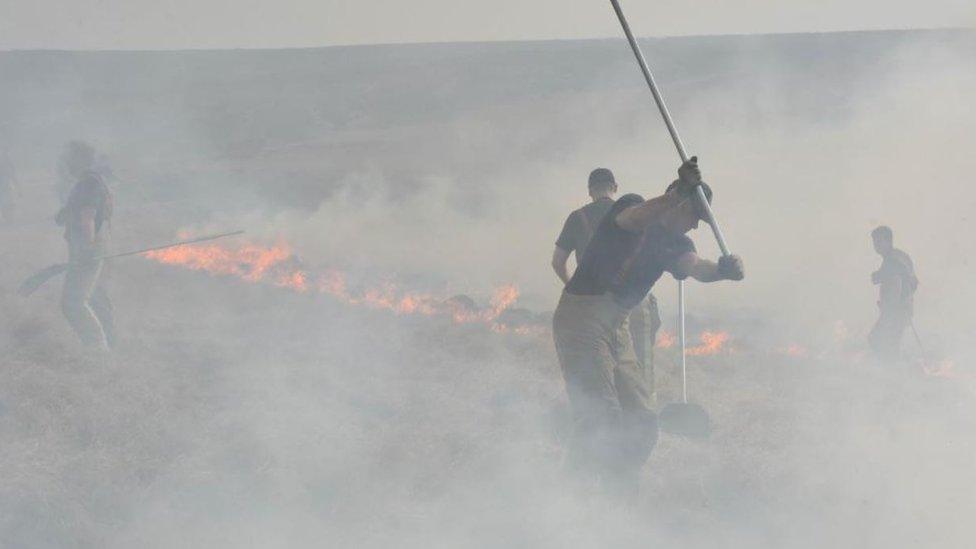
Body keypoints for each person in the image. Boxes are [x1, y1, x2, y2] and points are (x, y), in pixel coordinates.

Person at [552, 157, 744, 499]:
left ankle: (618, 489)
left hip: (618, 324)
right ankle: (569, 495)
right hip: (582, 315)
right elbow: (633, 220)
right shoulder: (631, 206)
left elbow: (696, 267)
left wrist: (723, 271)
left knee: (642, 420)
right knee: (600, 414)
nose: (695, 227)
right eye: (694, 216)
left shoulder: (677, 243)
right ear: (678, 200)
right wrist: (677, 195)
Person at [552, 168, 663, 404]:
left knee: (600, 363)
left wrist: (573, 289)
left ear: (590, 190)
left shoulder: (577, 217)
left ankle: (613, 423)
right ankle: (647, 414)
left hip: (595, 306)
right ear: (615, 187)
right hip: (635, 301)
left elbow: (557, 262)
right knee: (640, 364)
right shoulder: (636, 214)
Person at [56, 141, 115, 351]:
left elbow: (88, 217)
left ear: (79, 159)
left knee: (73, 303)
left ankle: (98, 352)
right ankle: (111, 344)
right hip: (92, 246)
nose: (65, 162)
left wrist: (87, 251)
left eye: (69, 158)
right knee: (96, 297)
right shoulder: (92, 181)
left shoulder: (88, 184)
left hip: (88, 248)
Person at [868, 226, 917, 361]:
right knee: (887, 343)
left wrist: (891, 306)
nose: (876, 246)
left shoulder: (893, 261)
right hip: (900, 310)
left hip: (895, 312)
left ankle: (891, 374)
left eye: (879, 241)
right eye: (874, 242)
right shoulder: (898, 257)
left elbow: (896, 282)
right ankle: (892, 373)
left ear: (888, 241)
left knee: (877, 340)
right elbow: (912, 282)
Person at [0, 149, 18, 224]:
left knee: (7, 202)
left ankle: (9, 218)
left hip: (6, 185)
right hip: (5, 185)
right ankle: (9, 218)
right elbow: (13, 176)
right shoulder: (8, 164)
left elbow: (13, 176)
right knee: (6, 202)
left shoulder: (9, 164)